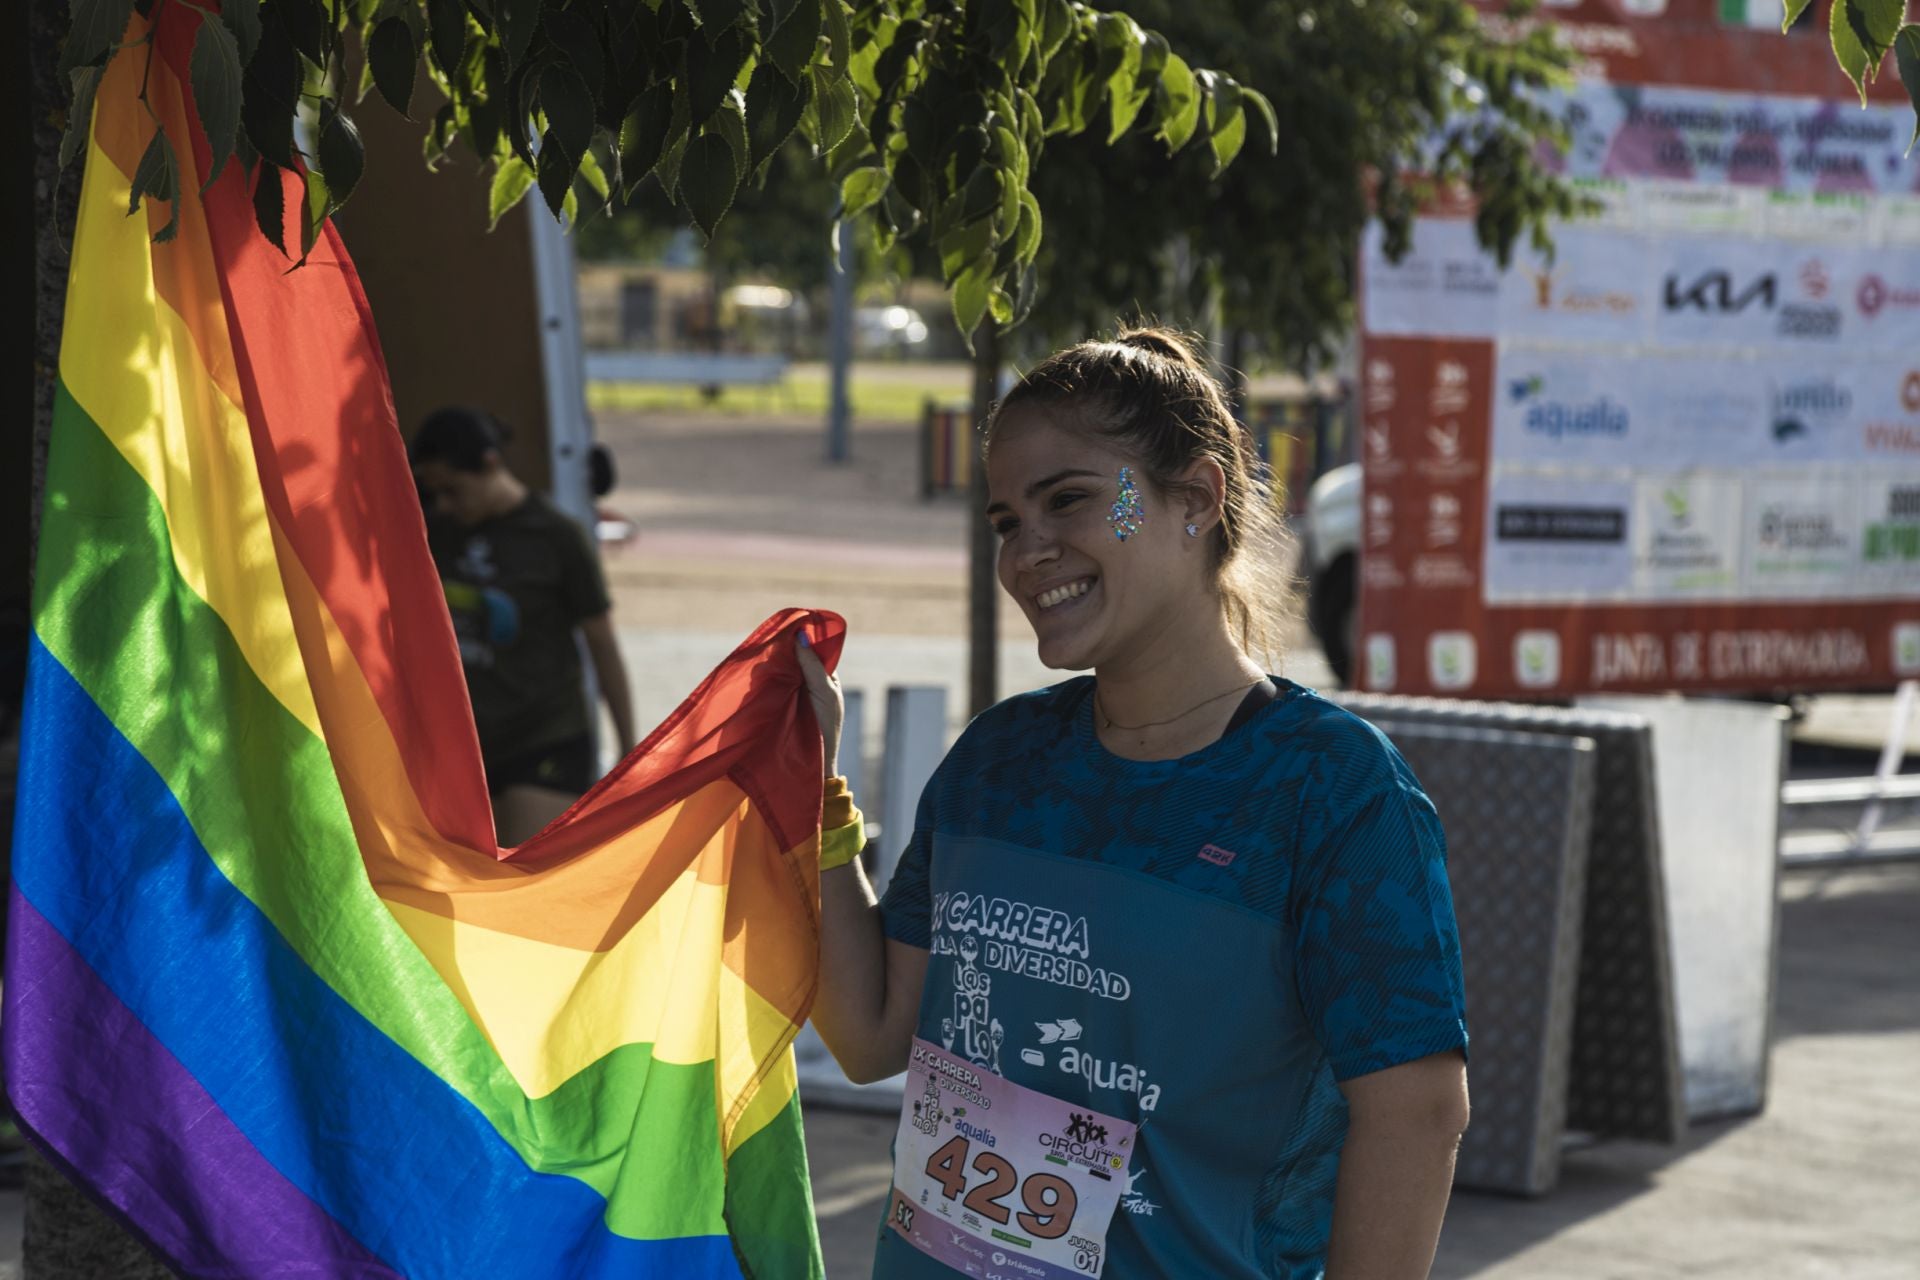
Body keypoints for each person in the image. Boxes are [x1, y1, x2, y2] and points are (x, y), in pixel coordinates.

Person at [798, 329, 1470, 1279]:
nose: (1029, 553)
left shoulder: (1332, 793)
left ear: (1195, 497)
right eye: (1003, 520)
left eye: (1067, 500)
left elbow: (1418, 1112)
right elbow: (868, 1035)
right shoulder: (998, 760)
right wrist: (812, 791)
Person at [410, 407, 636, 841]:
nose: (444, 505)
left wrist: (628, 747)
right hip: (463, 744)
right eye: (433, 493)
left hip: (544, 734)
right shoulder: (436, 533)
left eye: (453, 490)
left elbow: (602, 644)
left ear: (491, 464)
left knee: (524, 887)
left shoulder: (556, 536)